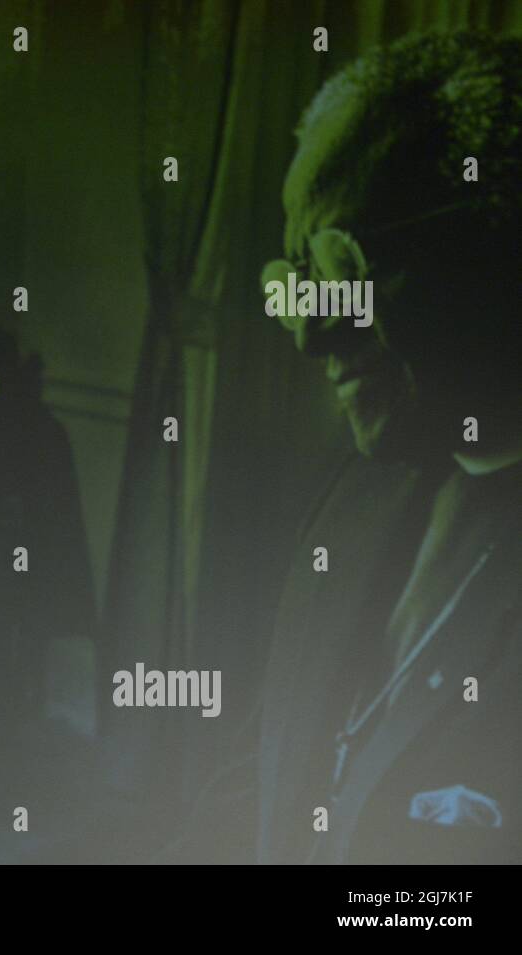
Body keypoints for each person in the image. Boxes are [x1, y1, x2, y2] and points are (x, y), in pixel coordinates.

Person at [166, 31, 522, 864]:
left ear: (494, 256)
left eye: (348, 269)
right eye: (297, 275)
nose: (310, 335)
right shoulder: (359, 496)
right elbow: (268, 783)